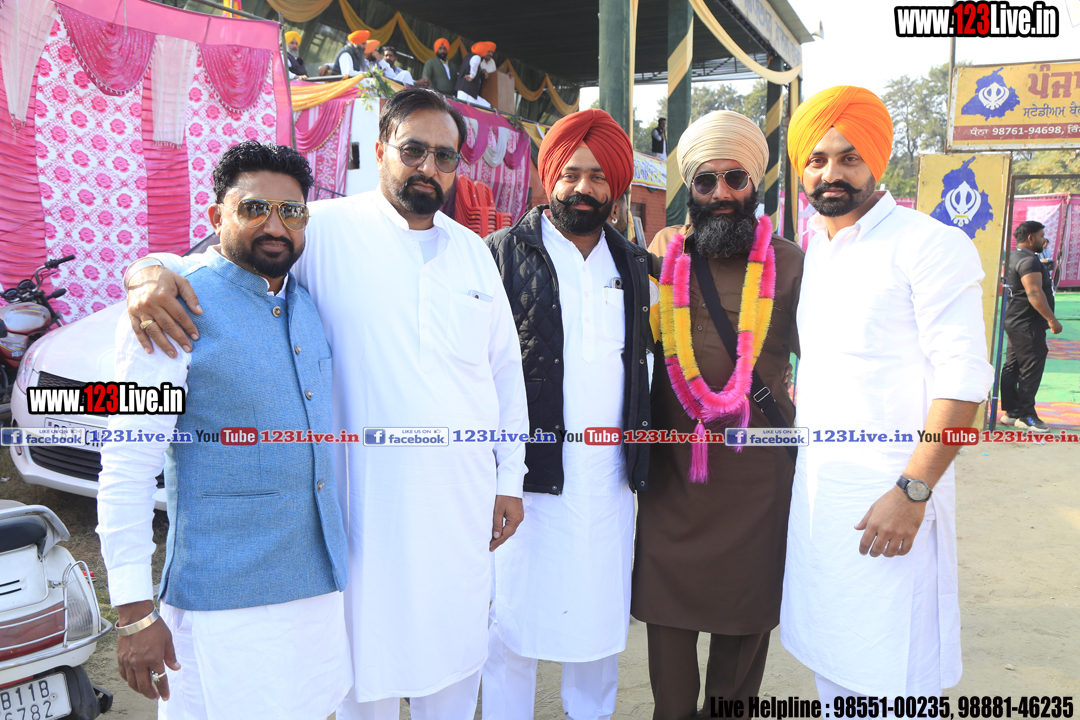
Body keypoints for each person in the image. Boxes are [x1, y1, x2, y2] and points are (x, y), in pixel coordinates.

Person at [122, 89, 531, 720]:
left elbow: (506, 375)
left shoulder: (474, 253)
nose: (428, 167)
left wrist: (510, 479)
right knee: (358, 676)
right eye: (413, 150)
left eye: (444, 156)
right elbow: (225, 258)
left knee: (454, 665)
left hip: (459, 506)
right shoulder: (324, 229)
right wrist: (147, 271)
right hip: (357, 512)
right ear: (381, 149)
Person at [97, 142, 351, 718]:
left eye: (291, 212)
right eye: (254, 208)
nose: (275, 226)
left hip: (318, 589)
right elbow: (128, 465)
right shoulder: (175, 307)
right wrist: (133, 610)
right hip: (225, 601)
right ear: (217, 216)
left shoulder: (305, 302)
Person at [782, 86, 994, 700]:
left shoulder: (928, 244)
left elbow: (964, 382)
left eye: (849, 158)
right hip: (821, 500)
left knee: (894, 681)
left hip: (893, 500)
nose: (831, 173)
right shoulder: (816, 249)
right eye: (817, 159)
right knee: (835, 670)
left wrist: (913, 490)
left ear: (876, 160)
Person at [631, 110, 803, 719]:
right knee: (666, 618)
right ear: (690, 188)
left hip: (756, 477)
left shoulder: (792, 263)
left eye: (736, 178)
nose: (722, 193)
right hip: (675, 474)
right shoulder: (660, 254)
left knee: (744, 621)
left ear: (756, 182)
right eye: (706, 181)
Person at [483, 109, 651, 720]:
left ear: (616, 186)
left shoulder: (633, 263)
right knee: (510, 626)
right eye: (572, 174)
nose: (584, 187)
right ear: (549, 177)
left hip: (607, 483)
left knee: (597, 628)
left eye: (599, 176)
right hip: (524, 478)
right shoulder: (499, 254)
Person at [1000, 220, 1062, 431]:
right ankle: (1026, 415)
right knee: (1031, 366)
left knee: (1013, 365)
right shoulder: (1029, 262)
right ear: (1030, 237)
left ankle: (1012, 411)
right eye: (1041, 235)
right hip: (1028, 324)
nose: (1044, 240)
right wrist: (1051, 319)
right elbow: (1034, 293)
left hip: (1015, 321)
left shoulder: (1014, 256)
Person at [455, 41, 497, 107]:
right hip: (467, 92)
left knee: (486, 105)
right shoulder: (477, 57)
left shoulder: (468, 56)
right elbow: (474, 64)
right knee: (486, 106)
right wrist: (472, 76)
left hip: (464, 91)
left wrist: (482, 73)